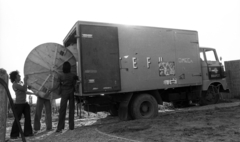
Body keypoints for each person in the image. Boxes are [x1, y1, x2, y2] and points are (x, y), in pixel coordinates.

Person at [49, 61, 78, 132]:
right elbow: (76, 84)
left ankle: (60, 127)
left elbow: (56, 86)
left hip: (64, 94)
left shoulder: (61, 76)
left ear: (63, 68)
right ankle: (71, 127)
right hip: (71, 93)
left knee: (62, 110)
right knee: (71, 110)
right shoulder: (73, 75)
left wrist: (51, 89)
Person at [9, 71, 34, 139]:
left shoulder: (20, 83)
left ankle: (27, 133)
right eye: (18, 75)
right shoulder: (15, 84)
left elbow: (25, 90)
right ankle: (14, 135)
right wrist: (25, 81)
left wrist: (33, 93)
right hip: (18, 104)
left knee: (28, 118)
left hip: (25, 104)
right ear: (15, 77)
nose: (20, 76)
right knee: (17, 119)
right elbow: (24, 88)